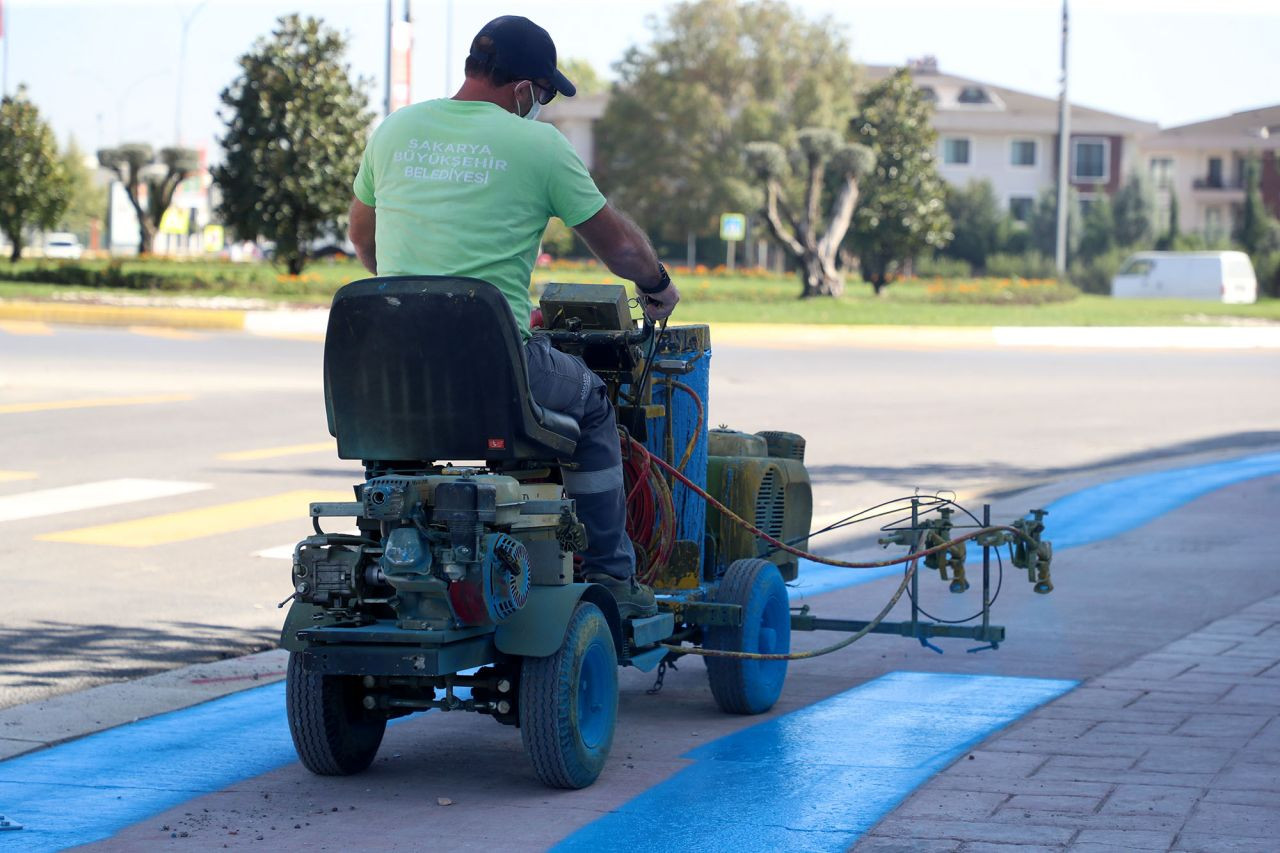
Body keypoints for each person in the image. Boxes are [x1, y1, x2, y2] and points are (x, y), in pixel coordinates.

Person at [347, 15, 679, 619]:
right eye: (544, 94)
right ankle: (611, 574)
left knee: (407, 448)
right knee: (595, 409)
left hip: (393, 371)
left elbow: (361, 237)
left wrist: (418, 304)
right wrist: (656, 284)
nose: (542, 106)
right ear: (524, 88)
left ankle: (397, 568)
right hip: (495, 368)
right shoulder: (538, 145)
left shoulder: (394, 131)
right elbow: (621, 250)